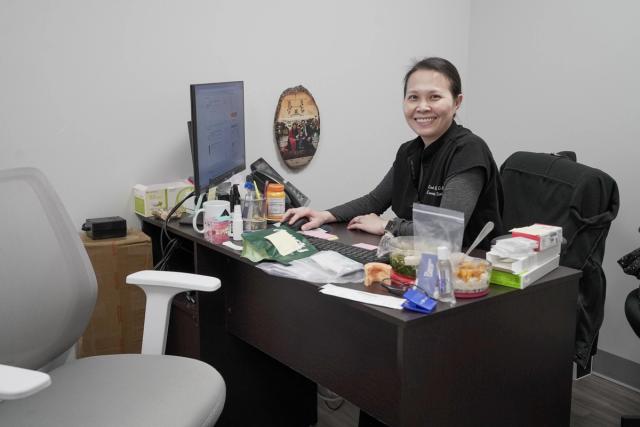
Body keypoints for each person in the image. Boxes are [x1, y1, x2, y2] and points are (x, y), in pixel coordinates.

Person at [282, 57, 504, 249]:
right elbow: (374, 201)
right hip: (417, 259)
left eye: (434, 97)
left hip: (468, 271)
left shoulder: (468, 150)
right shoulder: (409, 152)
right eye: (413, 97)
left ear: (457, 102)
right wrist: (324, 215)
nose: (422, 107)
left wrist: (387, 225)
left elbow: (443, 232)